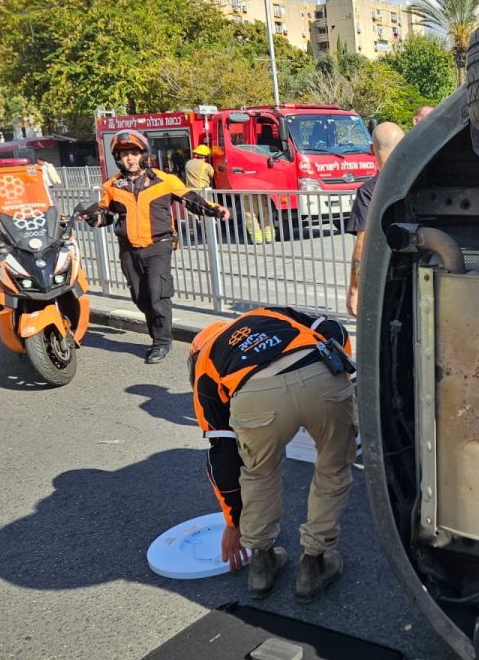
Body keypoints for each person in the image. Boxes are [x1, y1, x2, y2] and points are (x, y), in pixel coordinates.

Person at [190, 307, 358, 602]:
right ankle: (314, 563)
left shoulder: (205, 364)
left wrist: (234, 522)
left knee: (258, 474)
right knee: (333, 468)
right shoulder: (266, 314)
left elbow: (223, 455)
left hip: (255, 395)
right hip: (318, 373)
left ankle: (261, 562)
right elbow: (332, 326)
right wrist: (340, 368)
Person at [82, 129, 230, 363]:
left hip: (158, 245)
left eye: (133, 153)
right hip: (128, 249)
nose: (129, 158)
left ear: (144, 155)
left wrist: (215, 209)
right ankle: (158, 333)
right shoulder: (112, 186)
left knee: (157, 294)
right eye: (123, 154)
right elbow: (108, 215)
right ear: (117, 159)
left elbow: (191, 199)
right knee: (141, 297)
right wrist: (95, 217)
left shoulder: (164, 180)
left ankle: (161, 341)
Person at [345, 121, 405, 317]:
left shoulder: (369, 192)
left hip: (383, 283)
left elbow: (362, 245)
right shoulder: (419, 180)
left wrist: (354, 290)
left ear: (372, 149)